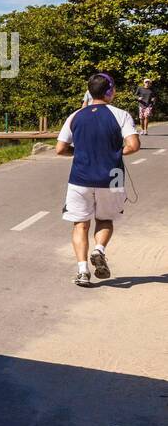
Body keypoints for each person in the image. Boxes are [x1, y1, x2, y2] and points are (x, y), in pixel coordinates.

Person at [57, 72, 140, 285]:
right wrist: (113, 153)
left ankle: (83, 270)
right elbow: (133, 146)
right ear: (110, 91)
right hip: (112, 176)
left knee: (80, 224)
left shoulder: (75, 116)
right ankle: (99, 249)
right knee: (105, 219)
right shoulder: (121, 115)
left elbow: (60, 148)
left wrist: (78, 152)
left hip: (80, 178)